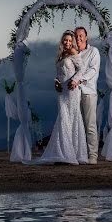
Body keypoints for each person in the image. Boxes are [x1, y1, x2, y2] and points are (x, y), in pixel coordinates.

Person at [38, 31, 89, 165]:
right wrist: (56, 82)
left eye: (69, 40)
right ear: (62, 41)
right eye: (65, 40)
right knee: (63, 118)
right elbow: (59, 74)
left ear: (72, 42)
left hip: (72, 90)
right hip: (62, 91)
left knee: (71, 118)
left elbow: (82, 69)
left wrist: (75, 80)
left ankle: (71, 154)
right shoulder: (60, 55)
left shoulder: (73, 52)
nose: (67, 43)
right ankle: (62, 153)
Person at [55, 26, 100, 163]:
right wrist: (58, 82)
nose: (79, 37)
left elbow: (92, 70)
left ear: (86, 37)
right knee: (74, 123)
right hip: (72, 93)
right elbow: (64, 72)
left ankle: (93, 155)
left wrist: (78, 80)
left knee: (90, 125)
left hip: (88, 91)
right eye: (77, 35)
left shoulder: (93, 52)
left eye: (81, 35)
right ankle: (75, 154)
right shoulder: (70, 52)